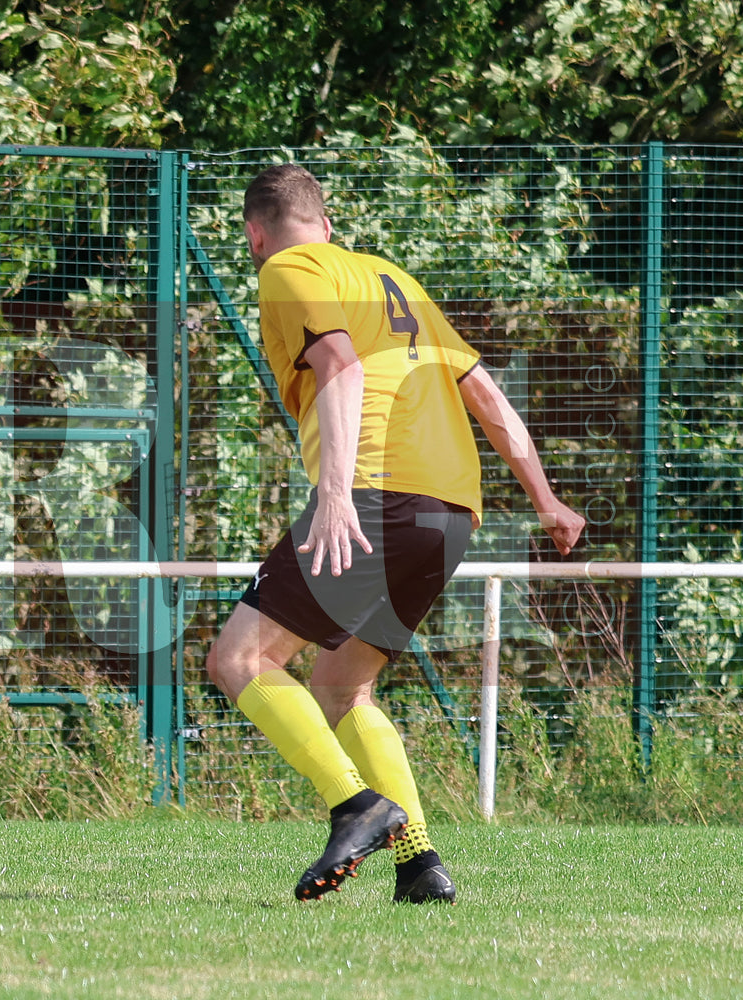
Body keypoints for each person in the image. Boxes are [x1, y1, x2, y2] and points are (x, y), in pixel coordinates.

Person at [206, 165, 585, 902]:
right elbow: (481, 390)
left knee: (240, 660)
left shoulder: (287, 268)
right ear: (328, 220)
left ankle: (358, 806)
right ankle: (419, 864)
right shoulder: (392, 278)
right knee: (342, 684)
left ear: (256, 234)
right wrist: (545, 499)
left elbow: (341, 367)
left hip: (382, 493)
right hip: (451, 513)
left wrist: (337, 496)